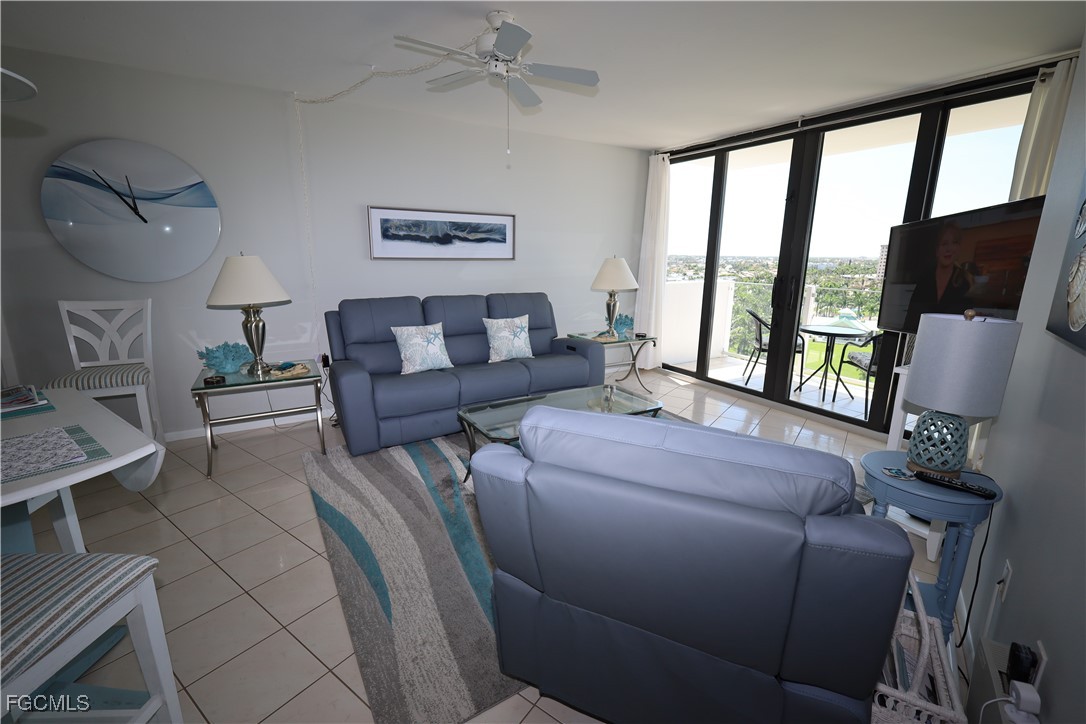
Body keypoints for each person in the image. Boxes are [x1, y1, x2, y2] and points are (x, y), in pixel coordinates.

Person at [903, 222, 974, 332]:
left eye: (954, 243)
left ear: (959, 248)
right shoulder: (925, 278)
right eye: (944, 243)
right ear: (937, 250)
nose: (949, 249)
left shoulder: (964, 281)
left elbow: (966, 326)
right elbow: (910, 319)